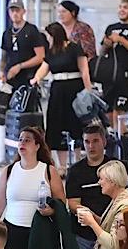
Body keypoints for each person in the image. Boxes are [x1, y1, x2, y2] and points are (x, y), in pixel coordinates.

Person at [29, 23, 93, 164]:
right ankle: (62, 165)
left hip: (74, 88)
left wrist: (89, 90)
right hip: (57, 89)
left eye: (49, 36)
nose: (47, 40)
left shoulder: (74, 48)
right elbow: (44, 67)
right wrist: (36, 78)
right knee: (56, 124)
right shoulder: (51, 51)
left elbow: (84, 69)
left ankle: (78, 160)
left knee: (75, 124)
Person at [0, 0, 46, 91]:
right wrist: (1, 72)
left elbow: (40, 57)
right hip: (11, 78)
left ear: (23, 11)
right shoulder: (7, 33)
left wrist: (20, 66)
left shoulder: (31, 30)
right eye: (12, 11)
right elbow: (4, 56)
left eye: (17, 10)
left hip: (28, 77)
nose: (15, 13)